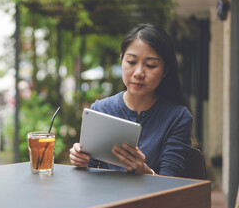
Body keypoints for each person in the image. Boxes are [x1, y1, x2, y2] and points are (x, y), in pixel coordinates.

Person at [69, 23, 193, 178]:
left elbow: (171, 182)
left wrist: (144, 171)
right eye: (132, 62)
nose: (139, 73)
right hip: (106, 200)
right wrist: (80, 160)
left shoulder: (178, 117)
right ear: (121, 60)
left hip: (152, 202)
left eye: (150, 65)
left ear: (165, 70)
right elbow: (89, 171)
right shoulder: (100, 110)